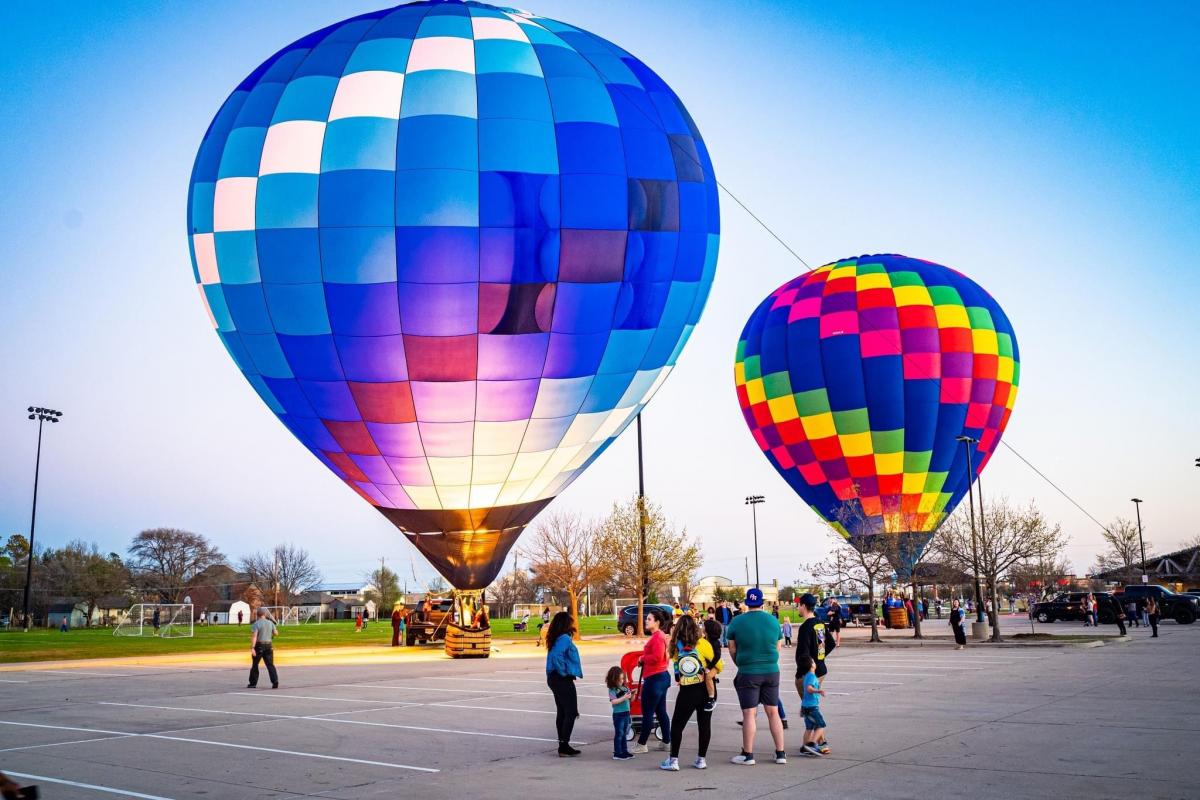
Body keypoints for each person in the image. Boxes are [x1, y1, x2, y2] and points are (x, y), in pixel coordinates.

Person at [725, 587, 786, 766]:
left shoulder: (737, 622)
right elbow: (778, 646)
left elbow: (732, 647)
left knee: (749, 714)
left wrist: (740, 663)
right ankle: (780, 753)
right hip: (771, 671)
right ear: (762, 602)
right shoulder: (773, 621)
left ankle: (748, 754)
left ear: (746, 602)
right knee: (773, 712)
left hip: (748, 671)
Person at [660, 614, 722, 770]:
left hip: (688, 690)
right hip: (706, 689)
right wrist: (708, 673)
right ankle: (701, 759)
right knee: (704, 724)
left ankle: (673, 760)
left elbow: (676, 666)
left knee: (678, 725)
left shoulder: (675, 646)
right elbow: (719, 665)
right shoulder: (703, 644)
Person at [631, 608, 672, 753]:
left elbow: (656, 656)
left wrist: (642, 659)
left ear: (657, 622)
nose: (646, 621)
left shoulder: (657, 637)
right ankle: (667, 742)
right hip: (661, 676)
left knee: (647, 712)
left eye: (649, 619)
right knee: (660, 711)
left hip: (655, 678)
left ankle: (642, 744)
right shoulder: (660, 636)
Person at [545, 611, 582, 757]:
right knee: (571, 712)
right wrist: (563, 672)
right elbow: (556, 656)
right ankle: (564, 745)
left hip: (553, 678)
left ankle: (563, 744)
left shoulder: (556, 637)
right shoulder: (564, 638)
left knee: (562, 711)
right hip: (560, 678)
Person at [796, 654, 827, 757]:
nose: (815, 663)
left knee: (809, 728)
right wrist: (819, 690)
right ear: (811, 665)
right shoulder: (811, 676)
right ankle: (812, 744)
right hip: (812, 707)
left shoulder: (807, 676)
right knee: (821, 725)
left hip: (806, 707)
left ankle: (804, 747)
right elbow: (809, 689)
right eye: (813, 661)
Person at [606, 665, 635, 761]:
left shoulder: (625, 688)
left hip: (626, 713)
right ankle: (617, 753)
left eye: (622, 679)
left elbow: (631, 700)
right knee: (619, 733)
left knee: (624, 734)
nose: (621, 681)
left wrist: (633, 694)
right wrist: (624, 697)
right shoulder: (612, 690)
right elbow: (613, 701)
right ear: (613, 679)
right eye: (619, 679)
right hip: (618, 714)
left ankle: (624, 751)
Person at [247, 607, 279, 689]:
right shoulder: (270, 623)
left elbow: (254, 636)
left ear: (257, 614)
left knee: (255, 665)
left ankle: (253, 683)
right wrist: (271, 633)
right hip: (268, 645)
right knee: (270, 665)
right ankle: (275, 681)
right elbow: (276, 633)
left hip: (259, 645)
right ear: (265, 614)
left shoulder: (256, 624)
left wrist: (252, 648)